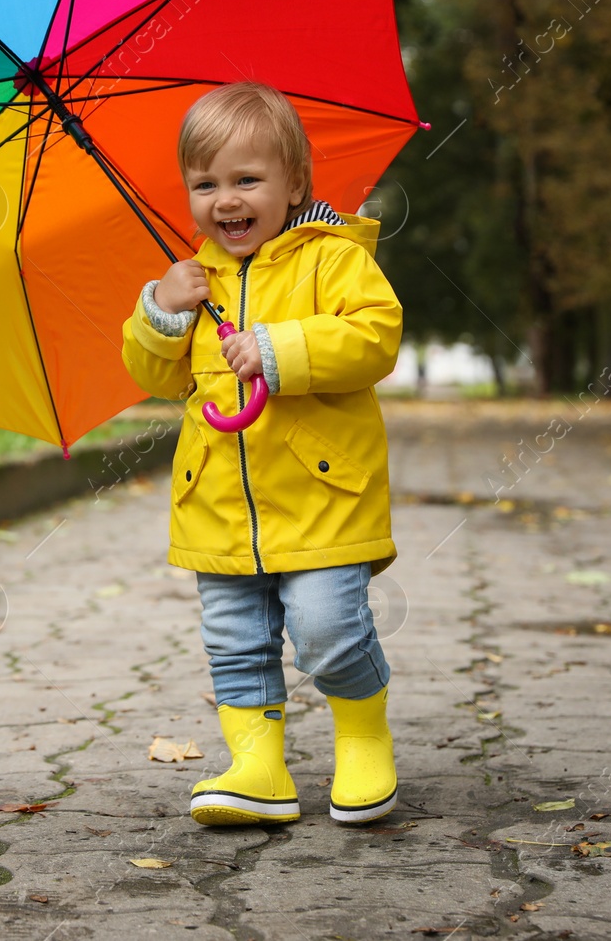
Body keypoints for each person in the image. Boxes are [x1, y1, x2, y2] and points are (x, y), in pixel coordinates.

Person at [120, 81, 403, 826]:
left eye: (247, 180)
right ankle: (259, 766)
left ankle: (364, 735)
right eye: (205, 184)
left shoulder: (331, 259)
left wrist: (279, 348)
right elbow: (153, 376)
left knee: (326, 628)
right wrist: (159, 311)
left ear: (294, 183)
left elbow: (376, 337)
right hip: (218, 506)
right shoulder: (192, 280)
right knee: (235, 644)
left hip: (322, 498)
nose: (226, 200)